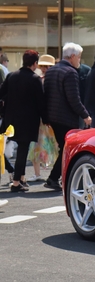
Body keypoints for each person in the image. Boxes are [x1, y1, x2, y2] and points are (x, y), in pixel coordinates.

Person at [44, 43, 91, 190]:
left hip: (52, 116)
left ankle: (57, 178)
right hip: (66, 118)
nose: (79, 60)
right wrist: (85, 115)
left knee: (64, 148)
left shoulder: (51, 70)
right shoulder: (70, 72)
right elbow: (73, 98)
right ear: (72, 57)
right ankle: (54, 178)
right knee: (68, 149)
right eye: (79, 57)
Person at [0, 50, 48, 192]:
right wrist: (45, 119)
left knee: (19, 149)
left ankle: (20, 178)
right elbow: (41, 103)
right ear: (35, 63)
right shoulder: (35, 79)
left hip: (11, 119)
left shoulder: (11, 76)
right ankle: (16, 182)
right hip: (28, 120)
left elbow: (1, 94)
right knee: (22, 150)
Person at [27, 53, 58, 181]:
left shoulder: (41, 79)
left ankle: (50, 173)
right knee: (38, 145)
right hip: (45, 117)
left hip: (46, 117)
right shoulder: (40, 79)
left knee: (51, 145)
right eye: (43, 66)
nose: (45, 69)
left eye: (47, 66)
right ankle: (38, 173)